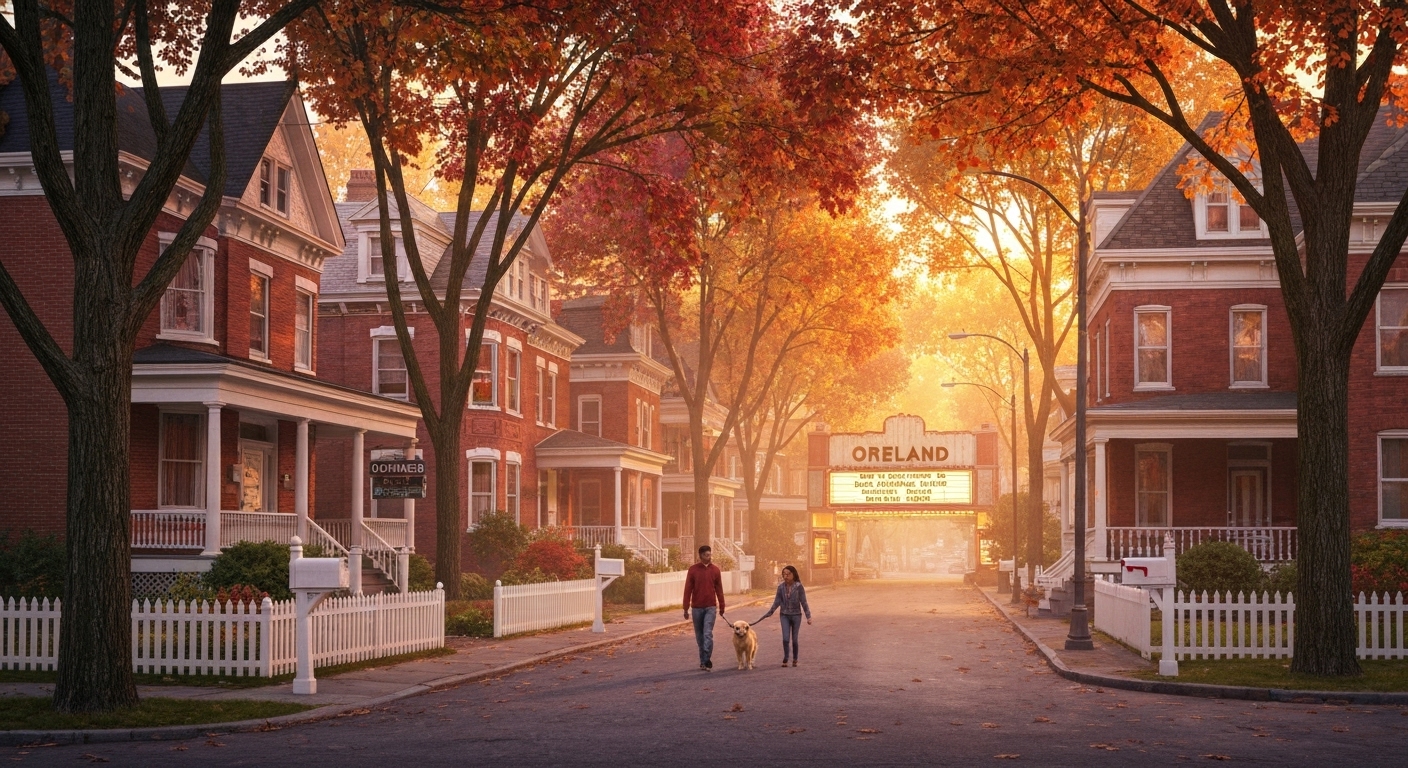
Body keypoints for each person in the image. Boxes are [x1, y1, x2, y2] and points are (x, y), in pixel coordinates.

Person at [756, 564, 811, 667]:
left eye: (788, 574)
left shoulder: (799, 587)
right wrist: (770, 612)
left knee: (794, 639)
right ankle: (786, 657)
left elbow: (804, 602)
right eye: (784, 574)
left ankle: (795, 658)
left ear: (793, 574)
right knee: (785, 638)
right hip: (784, 615)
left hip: (796, 615)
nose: (786, 576)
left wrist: (808, 616)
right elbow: (777, 601)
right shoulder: (780, 587)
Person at [683, 544, 726, 671]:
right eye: (706, 555)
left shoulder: (715, 570)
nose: (709, 557)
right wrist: (685, 608)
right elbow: (687, 590)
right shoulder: (693, 570)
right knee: (699, 636)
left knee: (707, 633)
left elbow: (719, 590)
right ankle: (703, 661)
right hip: (696, 607)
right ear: (700, 556)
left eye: (710, 555)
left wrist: (722, 606)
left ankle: (707, 658)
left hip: (710, 607)